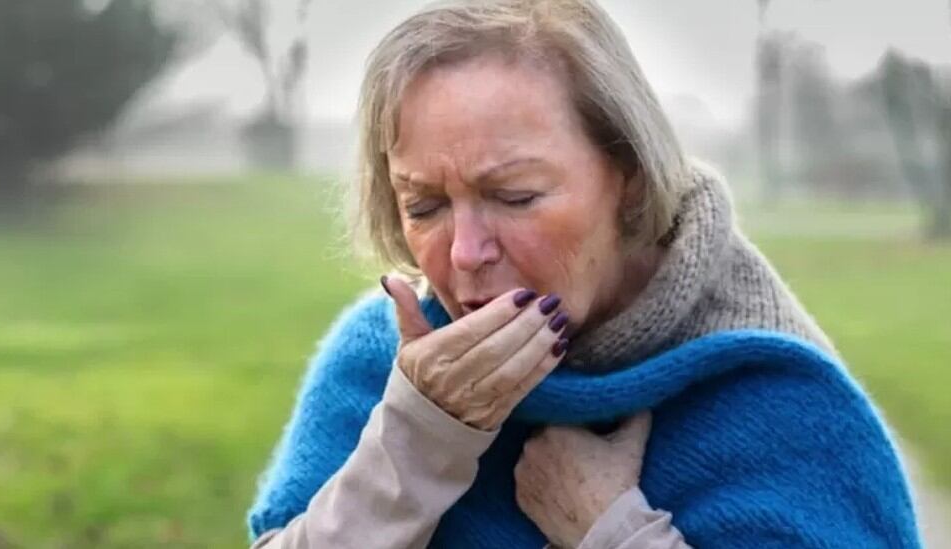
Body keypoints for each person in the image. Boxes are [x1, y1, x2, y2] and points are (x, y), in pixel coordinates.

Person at [246, 1, 922, 547]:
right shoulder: (382, 366)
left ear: (627, 178)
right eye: (424, 205)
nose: (464, 252)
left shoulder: (773, 399)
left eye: (514, 197)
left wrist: (617, 532)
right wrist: (416, 444)